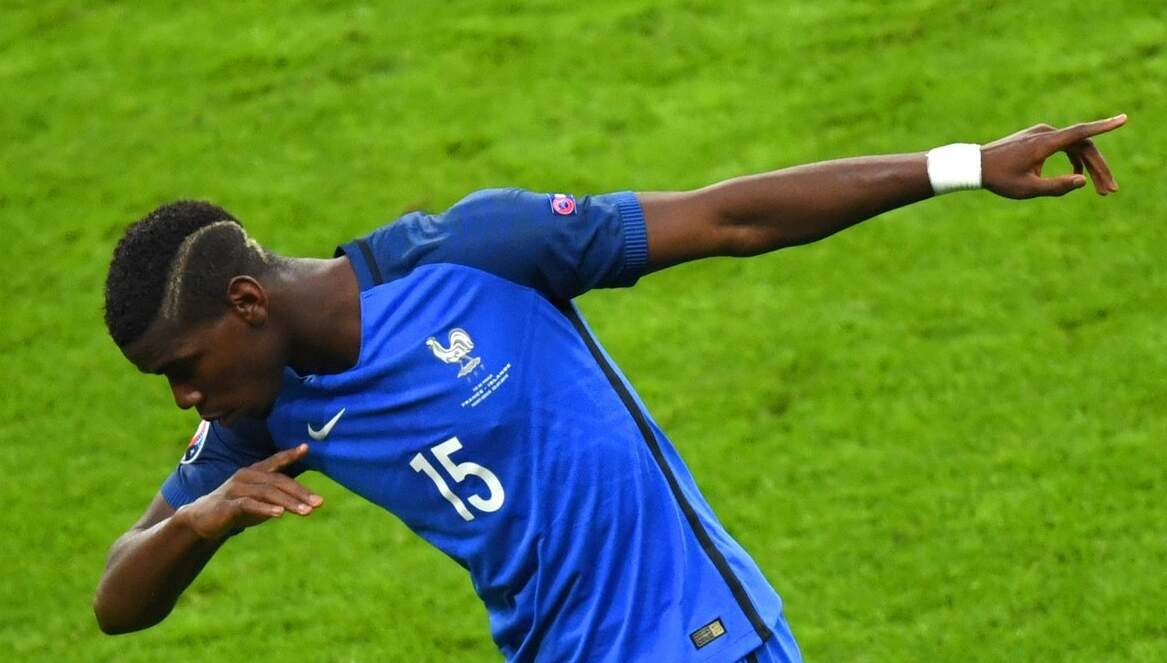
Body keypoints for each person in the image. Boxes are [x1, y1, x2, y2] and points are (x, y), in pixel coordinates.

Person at [94, 114, 1126, 662]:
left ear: (245, 303)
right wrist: (203, 522)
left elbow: (731, 219)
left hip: (701, 642)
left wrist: (962, 165)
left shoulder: (475, 254)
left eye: (180, 370)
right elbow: (117, 598)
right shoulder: (256, 413)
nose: (183, 400)